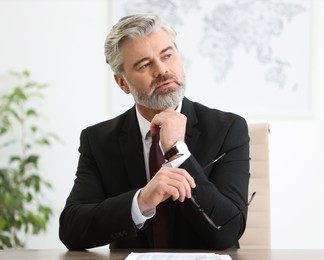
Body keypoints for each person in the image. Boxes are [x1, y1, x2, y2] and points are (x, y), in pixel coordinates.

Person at [59, 13, 250, 250]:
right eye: (145, 64)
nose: (162, 70)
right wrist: (141, 201)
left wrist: (178, 151)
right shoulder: (98, 140)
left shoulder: (227, 129)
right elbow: (72, 230)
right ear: (122, 83)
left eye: (167, 56)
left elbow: (227, 231)